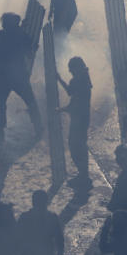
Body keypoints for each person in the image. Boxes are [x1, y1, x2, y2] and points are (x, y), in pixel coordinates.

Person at [0, 13, 43, 140]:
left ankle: (0, 129)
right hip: (17, 75)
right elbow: (31, 50)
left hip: (4, 75)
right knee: (30, 101)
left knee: (0, 102)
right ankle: (38, 126)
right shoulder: (19, 36)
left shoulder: (3, 35)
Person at [57, 56, 91, 187]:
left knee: (76, 146)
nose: (70, 71)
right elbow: (72, 93)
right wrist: (59, 79)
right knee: (79, 145)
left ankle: (83, 175)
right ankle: (83, 174)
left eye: (71, 69)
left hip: (80, 119)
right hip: (82, 118)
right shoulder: (83, 78)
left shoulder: (79, 81)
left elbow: (76, 102)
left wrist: (62, 109)